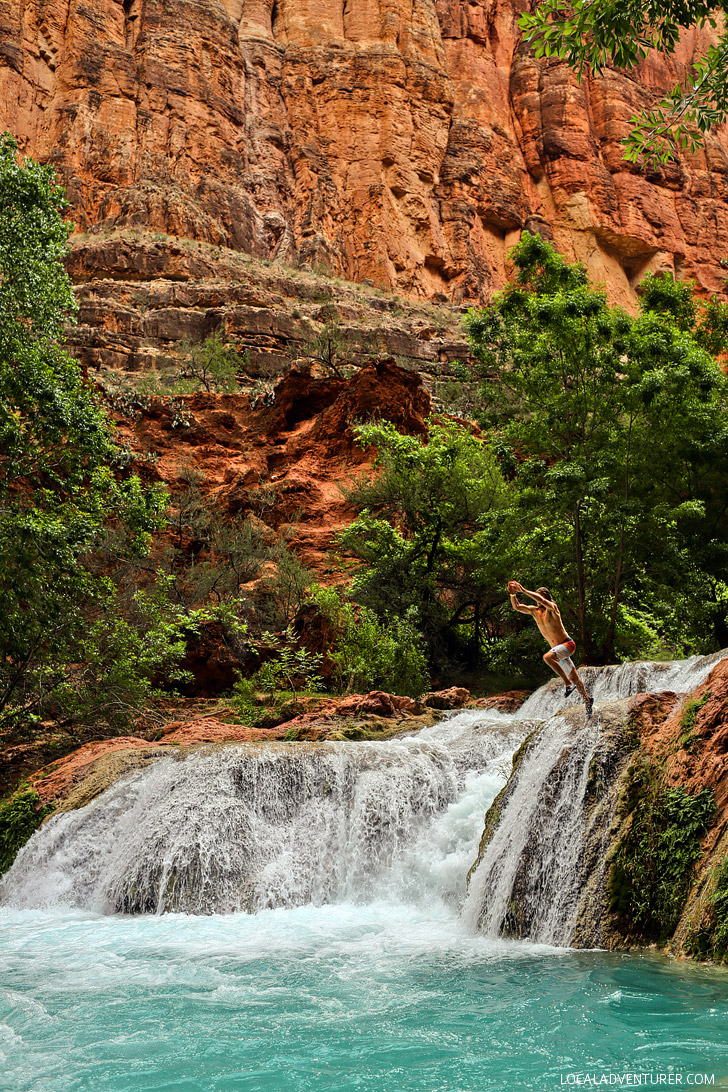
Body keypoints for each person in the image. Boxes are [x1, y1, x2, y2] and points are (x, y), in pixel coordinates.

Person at [508, 581, 593, 716]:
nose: (537, 600)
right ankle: (588, 701)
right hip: (557, 651)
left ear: (546, 598)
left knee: (547, 657)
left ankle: (567, 684)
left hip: (567, 645)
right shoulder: (534, 611)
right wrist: (512, 594)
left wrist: (523, 590)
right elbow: (517, 607)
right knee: (575, 678)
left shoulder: (553, 608)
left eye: (539, 597)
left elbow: (541, 600)